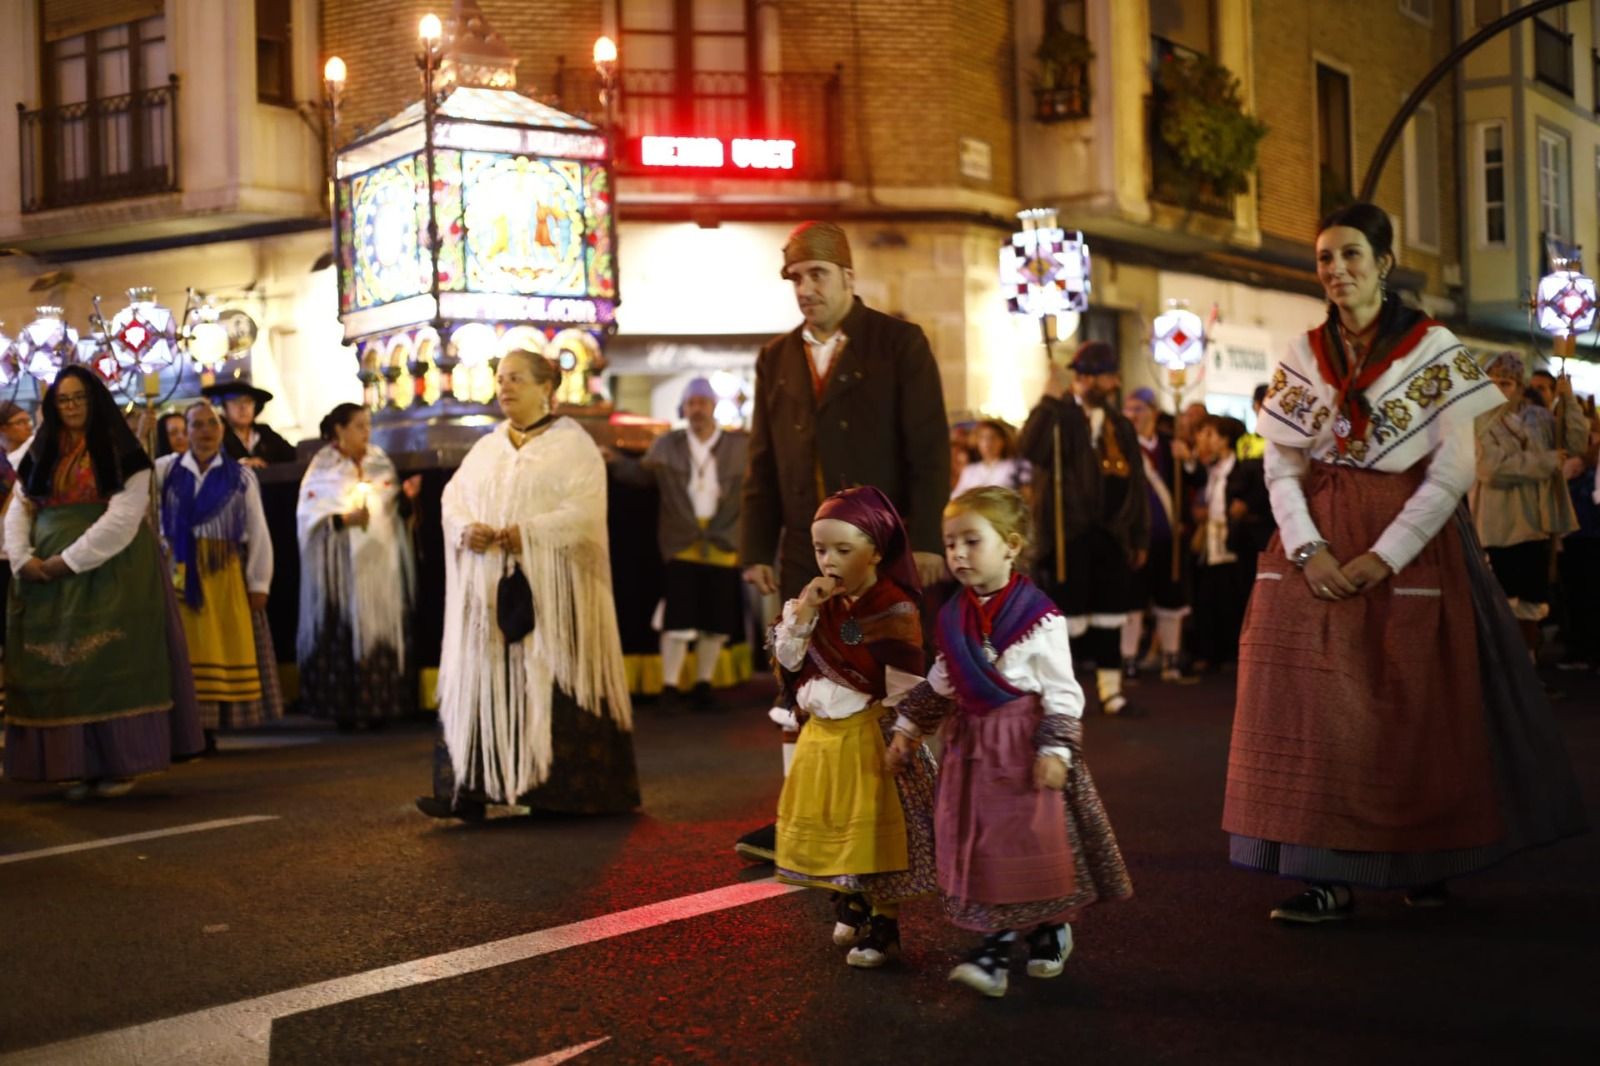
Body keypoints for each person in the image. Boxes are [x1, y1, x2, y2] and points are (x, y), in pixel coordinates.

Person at [1225, 202, 1587, 924]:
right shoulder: (1302, 353)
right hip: (1316, 546)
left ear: (1384, 264)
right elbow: (1282, 466)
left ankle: (1428, 860)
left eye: (1352, 255)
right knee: (1314, 712)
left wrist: (1381, 557)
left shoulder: (1433, 349)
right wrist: (1309, 548)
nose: (1337, 271)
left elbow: (1452, 470)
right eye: (1326, 258)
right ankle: (1324, 874)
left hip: (1410, 542)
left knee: (1416, 707)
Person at [736, 220, 950, 862]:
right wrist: (755, 548)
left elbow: (930, 452)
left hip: (883, 548)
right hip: (807, 547)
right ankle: (800, 822)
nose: (805, 289)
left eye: (817, 275)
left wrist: (928, 539)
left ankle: (907, 814)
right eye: (796, 278)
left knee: (890, 676)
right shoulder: (775, 356)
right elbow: (762, 461)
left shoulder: (898, 343)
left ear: (850, 278)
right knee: (797, 680)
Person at [889, 487, 1132, 998]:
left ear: (1011, 545)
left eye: (971, 541)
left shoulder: (1039, 617)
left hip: (1021, 749)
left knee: (1025, 843)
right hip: (971, 753)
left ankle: (1017, 941)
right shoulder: (952, 615)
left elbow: (1063, 691)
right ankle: (1019, 937)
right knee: (984, 846)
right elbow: (942, 678)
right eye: (950, 542)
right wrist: (908, 730)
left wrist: (1056, 750)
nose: (957, 553)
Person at [420, 349, 638, 820]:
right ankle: (471, 788)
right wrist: (466, 529)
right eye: (500, 379)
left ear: (547, 387)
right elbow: (452, 499)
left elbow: (585, 513)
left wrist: (532, 533)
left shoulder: (573, 445)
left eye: (517, 379)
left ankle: (558, 791)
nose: (505, 388)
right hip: (490, 592)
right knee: (486, 679)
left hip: (553, 596)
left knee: (547, 676)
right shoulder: (487, 447)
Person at [3, 367, 202, 796]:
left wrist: (68, 561)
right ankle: (70, 764)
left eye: (80, 399)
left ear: (95, 401)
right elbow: (21, 507)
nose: (72, 407)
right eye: (64, 400)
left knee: (109, 662)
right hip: (45, 579)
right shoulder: (38, 453)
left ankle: (119, 763)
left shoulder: (122, 452)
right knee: (61, 668)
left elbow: (125, 517)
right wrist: (23, 559)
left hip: (113, 572)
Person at [770, 486, 937, 968]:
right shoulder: (812, 603)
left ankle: (884, 926)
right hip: (821, 740)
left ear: (877, 552)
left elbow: (908, 681)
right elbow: (787, 661)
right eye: (822, 549)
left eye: (844, 550)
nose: (829, 560)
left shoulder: (893, 608)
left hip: (870, 736)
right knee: (835, 827)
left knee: (877, 835)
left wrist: (907, 735)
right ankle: (852, 902)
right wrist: (803, 613)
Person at [1018, 340, 1150, 715]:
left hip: (1112, 532)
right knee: (1068, 617)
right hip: (1068, 531)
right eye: (1108, 376)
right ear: (1088, 378)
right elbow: (1029, 447)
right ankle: (1065, 693)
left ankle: (1111, 690)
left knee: (1111, 612)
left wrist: (1137, 534)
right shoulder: (1058, 417)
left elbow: (1136, 483)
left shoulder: (1120, 424)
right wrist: (1046, 401)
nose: (1114, 383)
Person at [608, 377, 748, 711]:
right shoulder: (667, 445)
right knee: (677, 617)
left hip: (723, 539)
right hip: (680, 539)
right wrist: (611, 460)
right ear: (683, 409)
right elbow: (640, 475)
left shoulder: (739, 447)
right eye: (691, 403)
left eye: (702, 402)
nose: (697, 409)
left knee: (715, 620)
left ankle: (703, 684)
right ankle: (669, 686)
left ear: (713, 406)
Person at [156, 401, 281, 746]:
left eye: (212, 424)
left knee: (221, 647)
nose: (205, 431)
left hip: (223, 571)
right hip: (180, 572)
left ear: (222, 429)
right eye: (197, 425)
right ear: (186, 432)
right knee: (186, 653)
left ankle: (211, 728)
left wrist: (259, 582)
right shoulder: (166, 471)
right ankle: (189, 729)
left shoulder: (240, 476)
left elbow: (257, 531)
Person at [295, 403, 417, 728]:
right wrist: (341, 519)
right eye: (359, 426)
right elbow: (309, 515)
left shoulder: (378, 460)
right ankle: (344, 711)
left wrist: (405, 498)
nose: (367, 433)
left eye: (368, 426)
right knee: (344, 631)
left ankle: (382, 706)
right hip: (340, 572)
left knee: (379, 629)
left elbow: (392, 505)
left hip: (380, 567)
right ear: (339, 430)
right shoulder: (323, 467)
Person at [1471, 353, 1585, 659]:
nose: (1499, 389)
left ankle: (1527, 675)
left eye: (1506, 383)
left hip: (1534, 527)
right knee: (1501, 605)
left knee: (1532, 606)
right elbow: (1491, 469)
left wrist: (1568, 400)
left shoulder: (1534, 422)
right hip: (1498, 529)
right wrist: (1546, 462)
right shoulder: (1476, 421)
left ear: (1518, 388)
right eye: (1493, 382)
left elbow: (1574, 443)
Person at [1120, 386, 1195, 684]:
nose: (1132, 415)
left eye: (1137, 409)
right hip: (1136, 537)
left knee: (1171, 600)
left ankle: (1171, 660)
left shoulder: (1169, 444)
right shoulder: (1121, 446)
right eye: (1128, 409)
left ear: (1152, 412)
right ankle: (1128, 661)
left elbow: (1195, 478)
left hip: (1170, 537)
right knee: (1132, 601)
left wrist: (1187, 460)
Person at [1188, 415, 1254, 672]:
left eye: (1212, 435)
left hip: (1232, 543)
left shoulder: (1240, 469)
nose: (1207, 441)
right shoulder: (1211, 471)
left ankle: (1230, 653)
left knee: (1232, 599)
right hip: (1210, 541)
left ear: (1225, 439)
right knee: (1207, 599)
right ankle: (1209, 652)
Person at [203, 380, 298, 468]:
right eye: (236, 401)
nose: (243, 407)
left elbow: (293, 455)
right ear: (224, 407)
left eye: (248, 401)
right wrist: (239, 465)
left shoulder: (265, 432)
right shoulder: (217, 435)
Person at [951, 418, 1031, 498]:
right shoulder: (970, 470)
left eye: (992, 437)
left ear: (1003, 441)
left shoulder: (1015, 466)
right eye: (982, 438)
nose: (988, 443)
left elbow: (1026, 496)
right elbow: (956, 496)